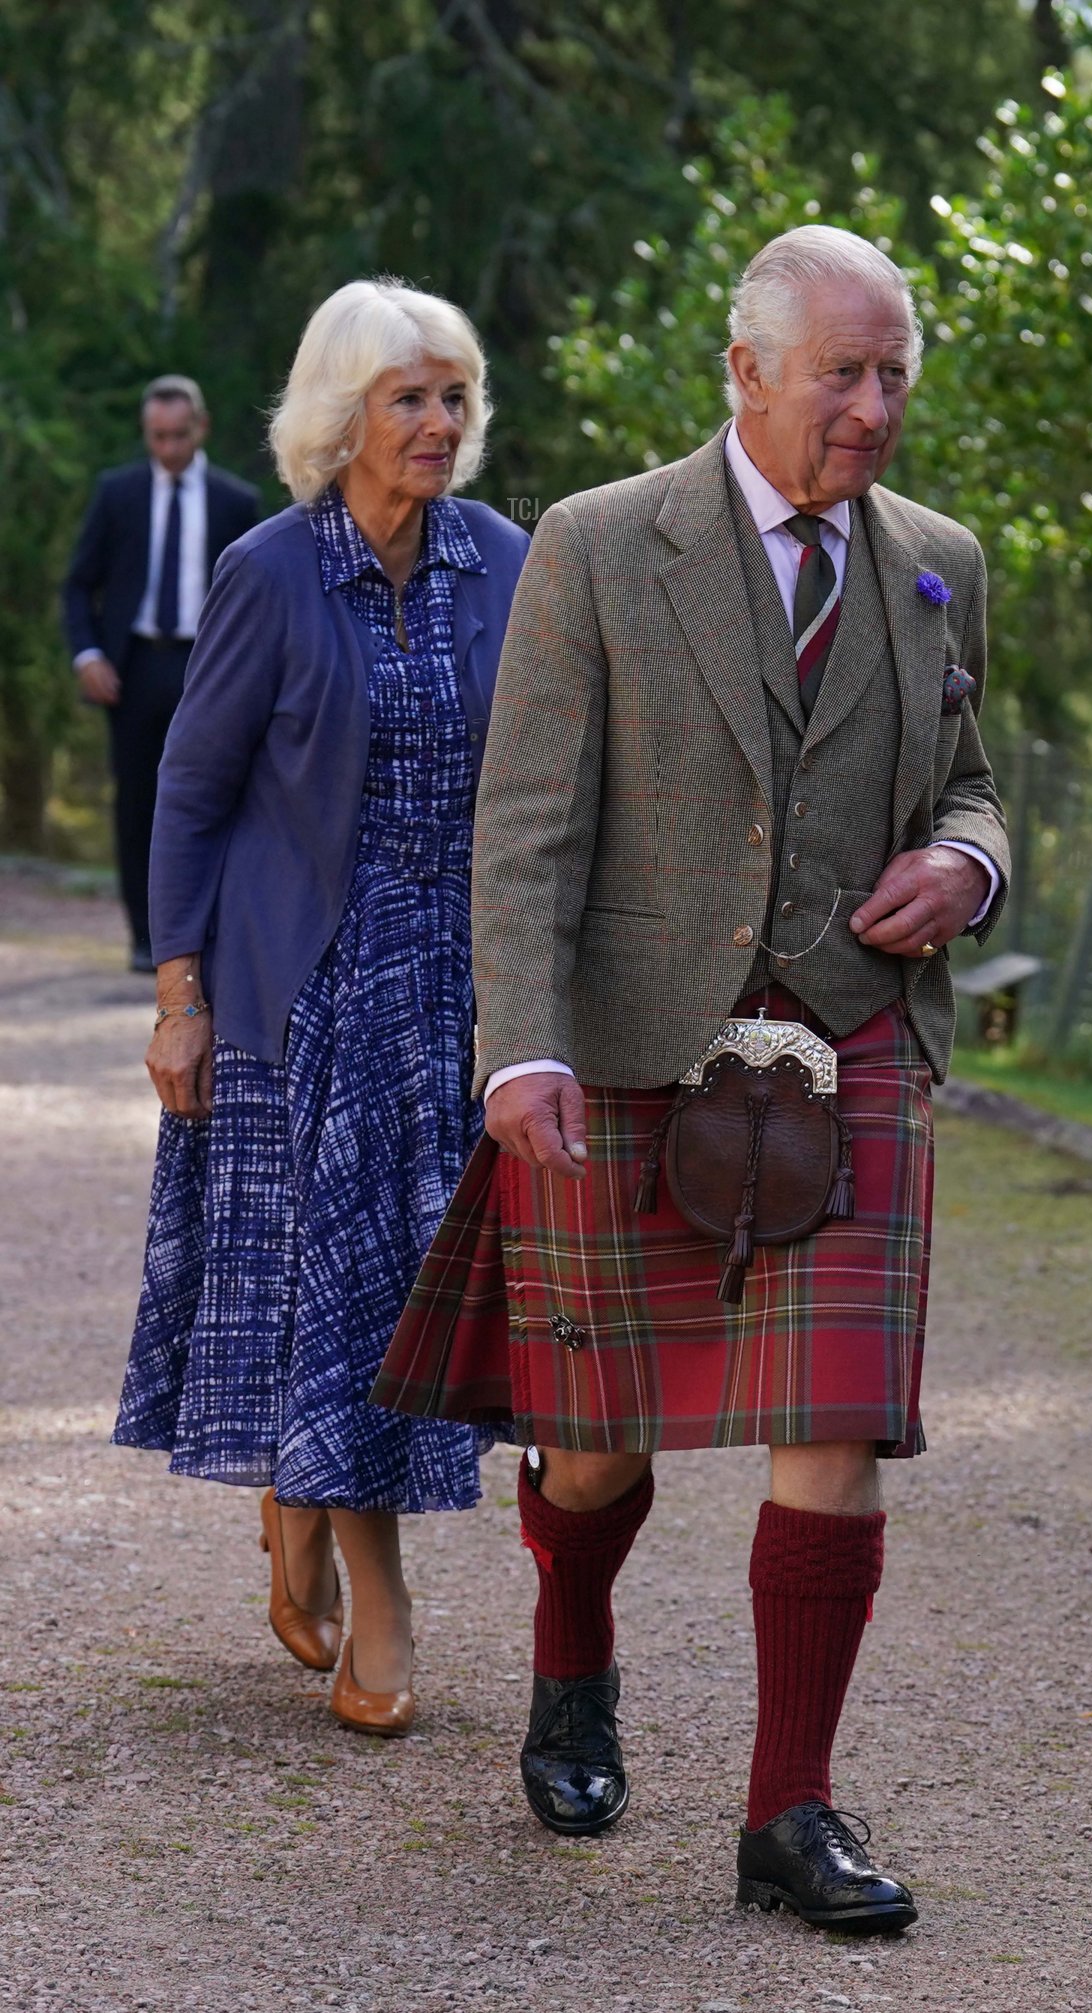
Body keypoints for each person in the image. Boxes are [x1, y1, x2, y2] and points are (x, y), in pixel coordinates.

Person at [373, 227, 1009, 1917]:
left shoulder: (937, 559)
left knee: (834, 1422)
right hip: (632, 1047)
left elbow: (971, 783)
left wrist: (968, 867)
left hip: (849, 1039)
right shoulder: (597, 543)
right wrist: (520, 1048)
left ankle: (787, 1808)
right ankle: (572, 1645)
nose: (874, 409)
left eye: (895, 376)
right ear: (746, 371)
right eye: (842, 374)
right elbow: (523, 827)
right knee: (593, 1443)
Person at [113, 280, 529, 1733]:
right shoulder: (272, 571)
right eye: (409, 396)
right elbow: (192, 784)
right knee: (356, 1296)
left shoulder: (505, 562)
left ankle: (304, 1489)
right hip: (304, 982)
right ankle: (385, 1598)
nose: (439, 422)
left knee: (410, 1296)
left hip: (454, 999)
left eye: (455, 395)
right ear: (341, 414)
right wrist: (180, 996)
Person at [62, 377, 259, 970]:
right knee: (137, 801)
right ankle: (145, 937)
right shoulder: (117, 493)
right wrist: (88, 655)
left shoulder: (235, 501)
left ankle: (208, 928)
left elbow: (256, 597)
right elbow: (77, 585)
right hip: (134, 666)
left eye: (178, 435)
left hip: (209, 669)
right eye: (157, 438)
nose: (168, 448)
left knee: (218, 796)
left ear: (199, 428)